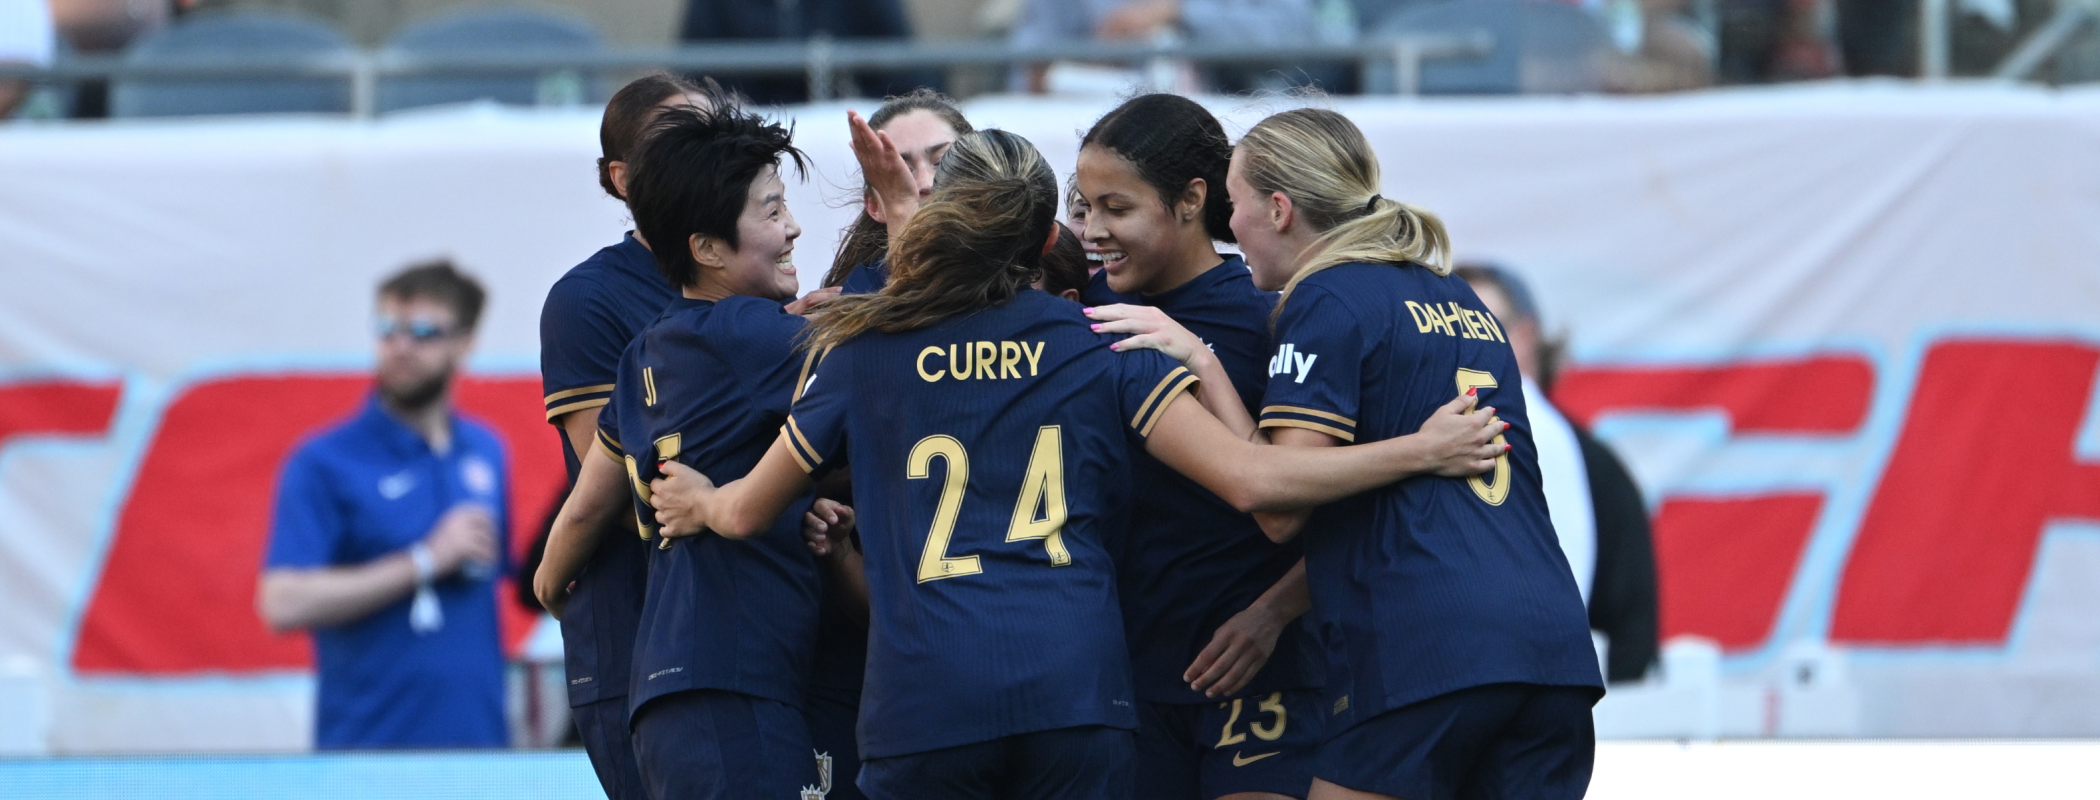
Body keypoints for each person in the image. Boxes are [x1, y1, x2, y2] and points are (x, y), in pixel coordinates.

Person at [642, 114, 1504, 800]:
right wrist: (1420, 451)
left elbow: (750, 510)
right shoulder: (1102, 342)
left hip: (927, 700)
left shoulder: (865, 348)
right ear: (1046, 235)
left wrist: (699, 503)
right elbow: (1257, 482)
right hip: (1077, 694)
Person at [1091, 108, 1604, 800]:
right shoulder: (1461, 300)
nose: (1231, 231)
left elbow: (1279, 508)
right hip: (1551, 647)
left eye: (1234, 206)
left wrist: (1206, 368)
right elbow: (1370, 491)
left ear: (1278, 209)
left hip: (1426, 642)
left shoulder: (1327, 294)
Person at [535, 103, 850, 799]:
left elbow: (584, 515)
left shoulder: (646, 350)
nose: (794, 226)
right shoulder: (755, 334)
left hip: (663, 688)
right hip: (734, 684)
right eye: (771, 211)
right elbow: (881, 382)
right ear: (707, 247)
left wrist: (551, 589)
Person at [1074, 93, 1321, 800]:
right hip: (1128, 676)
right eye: (1085, 208)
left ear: (1190, 200)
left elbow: (1343, 501)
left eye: (1116, 208)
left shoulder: (1273, 316)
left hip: (1259, 670)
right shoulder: (1077, 311)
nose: (1093, 231)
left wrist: (1273, 614)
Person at [536, 71, 714, 800]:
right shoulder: (588, 301)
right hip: (639, 640)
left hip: (741, 635)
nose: (708, 157)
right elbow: (610, 483)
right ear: (622, 178)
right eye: (682, 143)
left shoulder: (751, 276)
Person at [257, 261, 510, 749]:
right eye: (387, 329)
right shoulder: (325, 459)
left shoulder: (486, 450)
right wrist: (424, 560)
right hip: (368, 757)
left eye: (422, 332)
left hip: (482, 755)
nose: (401, 346)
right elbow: (281, 601)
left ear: (466, 343)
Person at [1456, 263, 1659, 684]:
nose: (1467, 349)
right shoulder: (1413, 450)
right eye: (1452, 334)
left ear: (1527, 335)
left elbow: (1631, 623)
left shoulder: (1593, 466)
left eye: (1483, 328)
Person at [825, 89, 975, 295]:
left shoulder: (1025, 266)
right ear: (874, 206)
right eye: (902, 171)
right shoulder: (857, 297)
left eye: (942, 161)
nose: (926, 183)